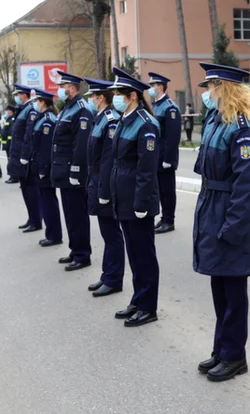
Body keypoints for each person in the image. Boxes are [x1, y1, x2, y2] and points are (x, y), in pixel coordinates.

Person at [193, 62, 250, 383]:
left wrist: (233, 227)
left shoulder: (242, 128)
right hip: (212, 207)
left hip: (229, 211)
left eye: (211, 87)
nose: (207, 94)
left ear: (225, 89)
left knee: (234, 290)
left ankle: (235, 355)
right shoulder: (216, 122)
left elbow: (246, 184)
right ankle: (221, 348)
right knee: (219, 284)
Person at [108, 66, 161, 327]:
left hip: (138, 201)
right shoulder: (125, 120)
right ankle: (138, 299)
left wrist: (141, 203)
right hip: (124, 197)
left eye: (120, 93)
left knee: (144, 255)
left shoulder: (146, 124)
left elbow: (146, 169)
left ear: (133, 96)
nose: (115, 98)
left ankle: (148, 306)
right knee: (134, 253)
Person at [84, 77, 125, 298]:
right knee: (106, 232)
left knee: (112, 233)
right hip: (96, 180)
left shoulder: (110, 120)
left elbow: (109, 159)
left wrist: (104, 191)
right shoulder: (99, 118)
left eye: (92, 96)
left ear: (101, 97)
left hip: (104, 183)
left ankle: (114, 278)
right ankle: (107, 273)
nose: (90, 100)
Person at [52, 71, 92, 271]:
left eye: (62, 86)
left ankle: (83, 254)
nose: (59, 89)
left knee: (77, 214)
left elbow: (80, 145)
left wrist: (76, 172)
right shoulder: (68, 108)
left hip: (72, 172)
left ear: (73, 88)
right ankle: (75, 248)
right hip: (63, 171)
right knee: (69, 213)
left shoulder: (81, 110)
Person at [147, 72, 181, 234]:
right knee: (160, 189)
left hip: (165, 158)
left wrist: (168, 158)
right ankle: (164, 217)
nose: (151, 89)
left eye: (153, 86)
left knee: (167, 190)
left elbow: (173, 136)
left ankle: (170, 220)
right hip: (157, 156)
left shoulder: (170, 107)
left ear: (160, 87)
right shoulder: (156, 105)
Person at [28, 89, 63, 247]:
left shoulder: (48, 120)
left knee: (48, 202)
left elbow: (46, 148)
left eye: (37, 101)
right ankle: (52, 233)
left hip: (45, 168)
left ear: (42, 102)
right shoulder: (42, 118)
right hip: (40, 166)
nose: (35, 104)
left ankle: (54, 235)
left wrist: (43, 170)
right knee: (45, 200)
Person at [12, 84, 43, 233]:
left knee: (31, 190)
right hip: (19, 154)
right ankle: (31, 218)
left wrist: (25, 156)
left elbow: (28, 136)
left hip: (26, 156)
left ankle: (36, 220)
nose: (16, 97)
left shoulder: (30, 110)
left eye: (18, 94)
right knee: (25, 189)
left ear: (24, 95)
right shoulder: (23, 109)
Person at [2, 105, 16, 182]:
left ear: (11, 111)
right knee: (10, 160)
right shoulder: (9, 119)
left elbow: (11, 133)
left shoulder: (12, 119)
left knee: (12, 161)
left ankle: (14, 177)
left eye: (8, 110)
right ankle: (12, 176)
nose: (7, 111)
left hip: (11, 143)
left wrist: (8, 143)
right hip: (8, 143)